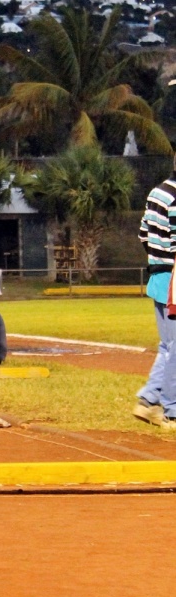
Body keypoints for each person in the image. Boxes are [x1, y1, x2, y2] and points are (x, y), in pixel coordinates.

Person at [136, 159, 176, 427]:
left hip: (159, 277)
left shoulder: (157, 192)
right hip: (174, 279)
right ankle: (172, 410)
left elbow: (142, 234)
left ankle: (149, 399)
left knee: (168, 345)